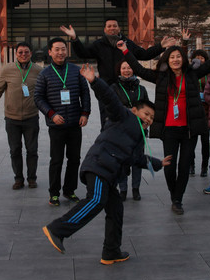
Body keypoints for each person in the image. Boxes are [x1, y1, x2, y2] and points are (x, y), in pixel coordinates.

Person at [42, 64, 170, 264]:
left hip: (109, 173)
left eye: (152, 118)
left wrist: (158, 163)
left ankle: (111, 251)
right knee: (96, 200)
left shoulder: (139, 137)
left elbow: (136, 159)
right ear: (134, 110)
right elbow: (110, 99)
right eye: (146, 114)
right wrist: (94, 81)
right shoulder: (123, 116)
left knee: (116, 209)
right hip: (100, 166)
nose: (149, 119)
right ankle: (57, 229)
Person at [119, 27, 210, 215]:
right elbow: (138, 69)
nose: (175, 60)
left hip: (189, 128)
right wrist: (125, 51)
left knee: (184, 166)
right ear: (167, 60)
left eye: (178, 57)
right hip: (169, 129)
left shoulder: (192, 74)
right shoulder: (161, 77)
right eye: (172, 57)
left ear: (183, 59)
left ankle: (178, 199)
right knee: (170, 167)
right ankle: (174, 193)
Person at [59, 21, 176, 128]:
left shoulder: (127, 43)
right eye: (109, 26)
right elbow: (83, 53)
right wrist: (74, 38)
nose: (112, 28)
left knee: (132, 124)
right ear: (105, 29)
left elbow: (144, 54)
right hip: (106, 88)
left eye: (115, 26)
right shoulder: (99, 44)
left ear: (119, 28)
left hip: (126, 89)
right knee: (108, 122)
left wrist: (160, 46)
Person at [34, 37, 91, 206]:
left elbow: (85, 93)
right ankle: (54, 193)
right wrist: (51, 114)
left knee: (74, 159)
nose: (60, 52)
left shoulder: (76, 70)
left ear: (67, 51)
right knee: (56, 160)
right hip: (56, 125)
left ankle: (69, 190)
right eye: (57, 49)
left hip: (75, 123)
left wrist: (85, 113)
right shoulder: (44, 74)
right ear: (50, 52)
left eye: (63, 49)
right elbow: (38, 98)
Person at [0, 42, 41, 190]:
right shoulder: (8, 69)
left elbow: (45, 90)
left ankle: (32, 178)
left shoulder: (38, 70)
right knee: (15, 150)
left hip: (31, 117)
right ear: (16, 54)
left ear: (31, 53)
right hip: (12, 118)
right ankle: (18, 179)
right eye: (20, 52)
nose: (23, 55)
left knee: (32, 150)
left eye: (26, 52)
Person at [110, 60, 149, 201]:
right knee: (122, 160)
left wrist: (145, 121)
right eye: (124, 68)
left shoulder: (141, 89)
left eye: (129, 68)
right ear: (119, 70)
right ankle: (123, 189)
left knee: (137, 160)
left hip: (138, 130)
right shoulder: (114, 88)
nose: (127, 71)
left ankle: (136, 188)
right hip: (121, 130)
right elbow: (112, 107)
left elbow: (147, 108)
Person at [189, 49, 210, 178]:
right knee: (191, 141)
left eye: (202, 58)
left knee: (205, 141)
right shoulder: (190, 72)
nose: (199, 60)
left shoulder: (209, 73)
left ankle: (204, 166)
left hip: (206, 111)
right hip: (193, 110)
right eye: (197, 57)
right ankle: (191, 164)